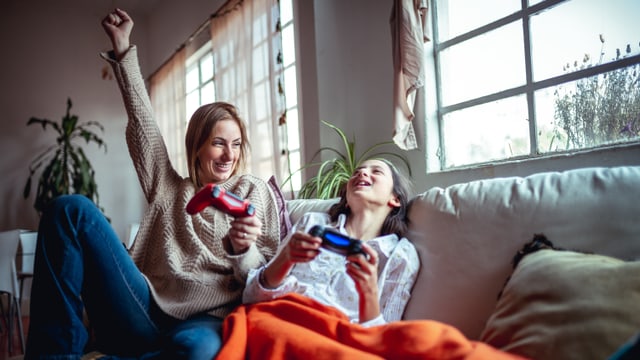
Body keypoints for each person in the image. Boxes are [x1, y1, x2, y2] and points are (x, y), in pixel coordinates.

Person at [24, 8, 281, 360]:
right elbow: (144, 125)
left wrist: (243, 249)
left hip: (205, 319)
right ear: (197, 146)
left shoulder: (254, 191)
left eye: (236, 144)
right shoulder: (169, 187)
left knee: (197, 353)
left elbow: (265, 280)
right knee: (69, 210)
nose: (228, 155)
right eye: (218, 143)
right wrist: (123, 48)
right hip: (141, 306)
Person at [244, 157, 420, 325]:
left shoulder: (401, 255)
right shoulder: (312, 223)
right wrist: (285, 259)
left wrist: (369, 293)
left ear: (395, 199)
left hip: (337, 339)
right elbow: (251, 296)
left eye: (376, 171)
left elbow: (385, 340)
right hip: (279, 319)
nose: (362, 173)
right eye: (357, 171)